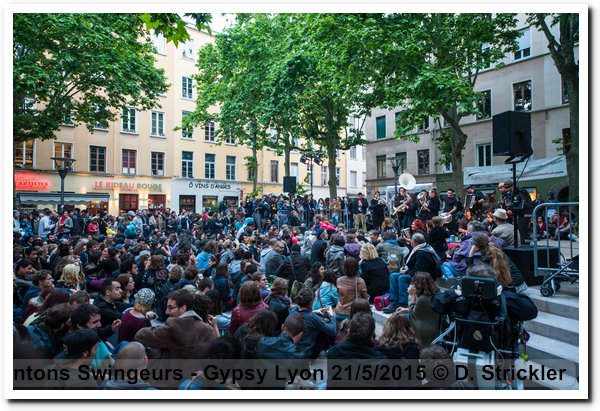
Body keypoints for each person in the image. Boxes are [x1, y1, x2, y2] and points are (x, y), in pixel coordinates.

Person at [135, 289, 219, 389]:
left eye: (170, 308)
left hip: (168, 383)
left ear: (183, 308)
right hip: (193, 383)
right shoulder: (208, 329)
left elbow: (140, 335)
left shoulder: (174, 326)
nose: (166, 312)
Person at [383, 233, 441, 314]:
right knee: (393, 276)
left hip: (424, 278)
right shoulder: (423, 247)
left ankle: (403, 304)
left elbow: (419, 271)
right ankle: (394, 303)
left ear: (413, 242)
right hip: (416, 273)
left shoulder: (422, 253)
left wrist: (405, 271)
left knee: (402, 278)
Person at [395, 272, 441, 346]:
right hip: (431, 324)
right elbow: (421, 310)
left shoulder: (422, 299)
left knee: (398, 318)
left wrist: (412, 296)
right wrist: (405, 309)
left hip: (422, 330)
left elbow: (414, 312)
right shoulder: (434, 293)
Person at [290, 288, 337, 359]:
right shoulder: (312, 317)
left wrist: (315, 311)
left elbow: (303, 313)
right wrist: (332, 316)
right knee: (325, 330)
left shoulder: (293, 310)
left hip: (291, 348)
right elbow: (333, 331)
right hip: (306, 353)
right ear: (311, 302)